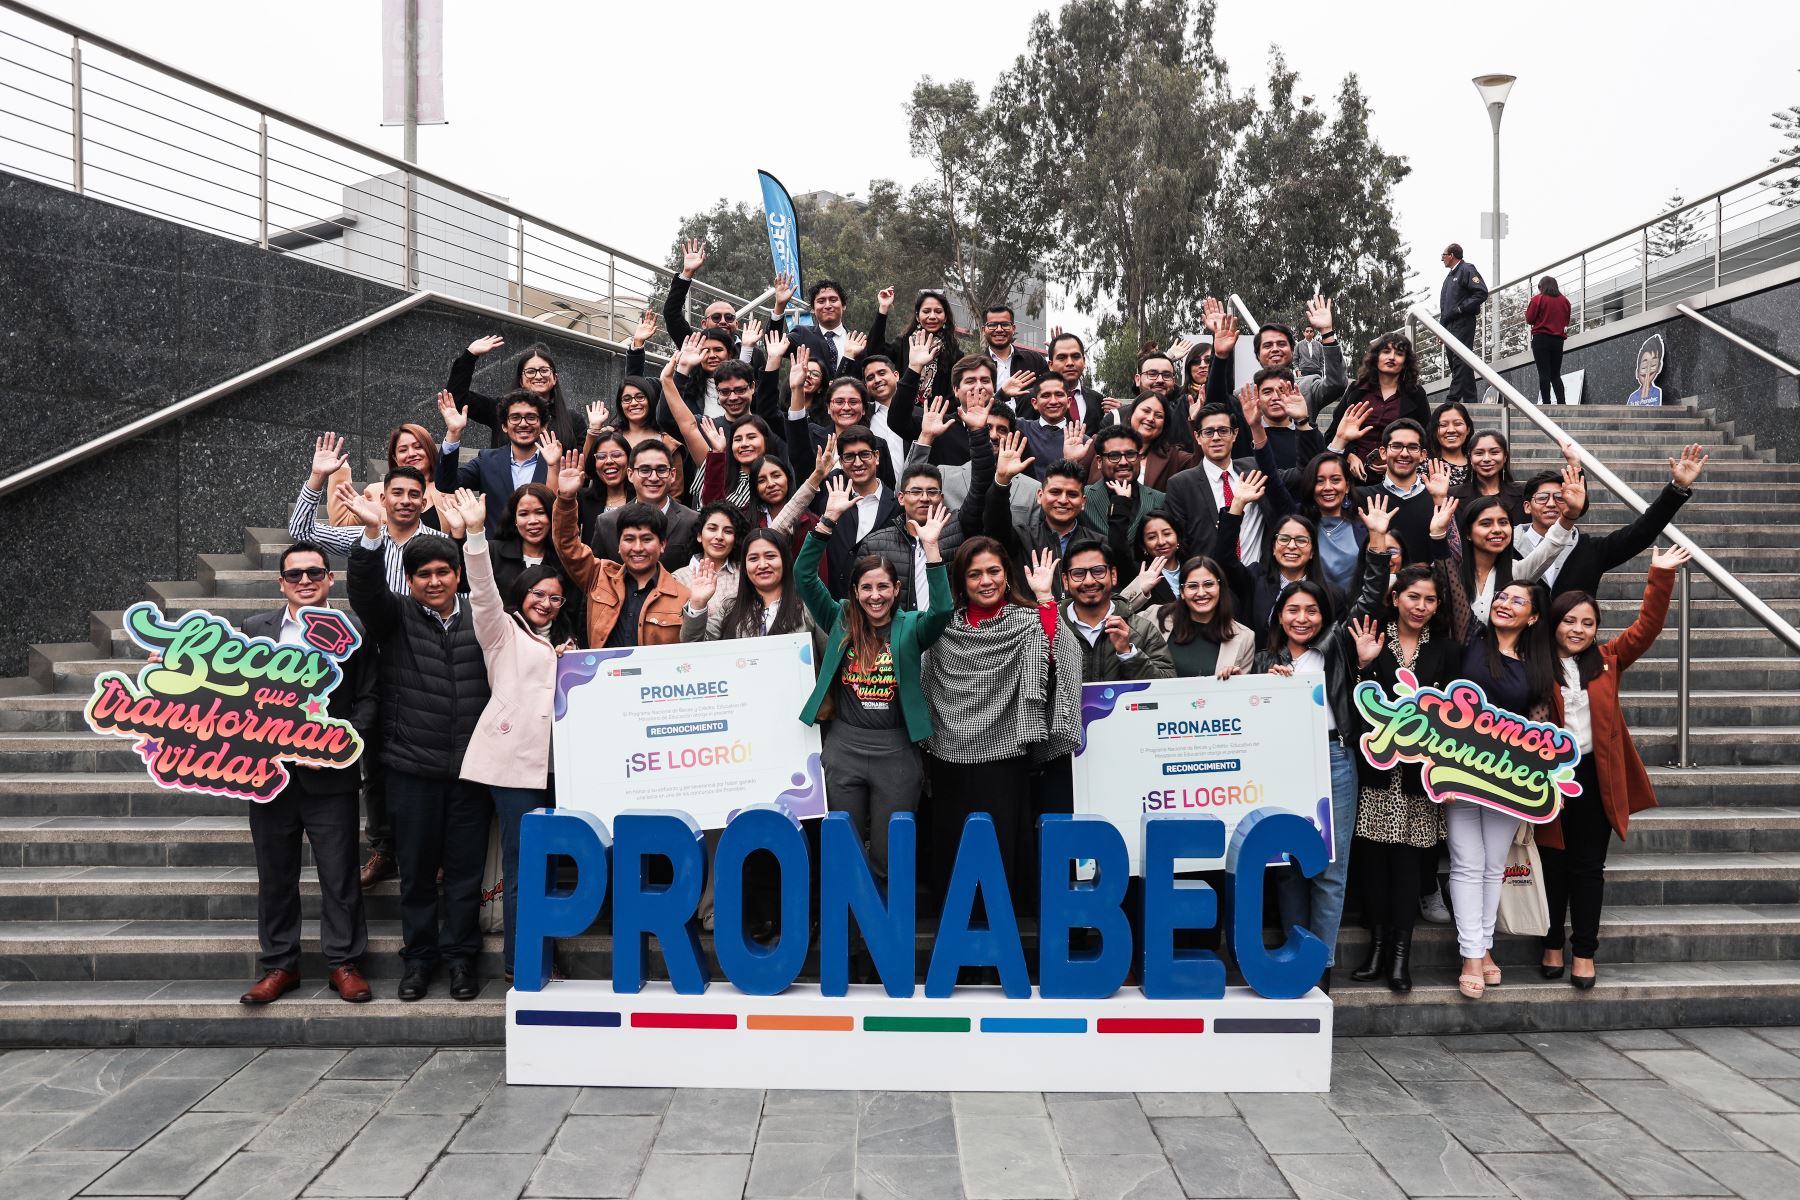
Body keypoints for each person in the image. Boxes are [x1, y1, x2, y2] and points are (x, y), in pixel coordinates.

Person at [346, 530, 492, 1002]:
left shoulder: (484, 616)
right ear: (409, 581)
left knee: (466, 874)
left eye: (442, 572)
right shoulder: (395, 616)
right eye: (423, 574)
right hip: (411, 769)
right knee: (416, 873)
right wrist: (370, 538)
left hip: (471, 770)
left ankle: (461, 960)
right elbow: (365, 591)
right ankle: (419, 961)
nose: (434, 581)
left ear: (458, 575)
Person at [1540, 546, 1689, 989]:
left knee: (1588, 866)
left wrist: (1659, 577)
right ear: (1554, 623)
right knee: (1551, 864)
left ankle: (1584, 950)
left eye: (1588, 623)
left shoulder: (1607, 660)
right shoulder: (1535, 665)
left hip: (1594, 776)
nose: (1578, 630)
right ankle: (1550, 943)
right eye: (1570, 621)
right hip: (1547, 779)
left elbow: (1647, 628)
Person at [236, 542, 377, 1006]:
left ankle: (344, 964)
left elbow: (369, 700)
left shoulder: (355, 630)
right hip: (268, 775)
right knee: (275, 875)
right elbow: (231, 695)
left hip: (328, 777)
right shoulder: (254, 630)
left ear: (330, 578)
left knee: (339, 875)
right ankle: (280, 966)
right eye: (294, 574)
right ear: (280, 582)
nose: (305, 580)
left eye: (314, 572)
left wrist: (336, 746)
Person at [797, 480, 954, 889]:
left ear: (897, 589)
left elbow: (942, 610)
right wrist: (828, 520)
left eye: (883, 586)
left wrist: (932, 550)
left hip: (897, 750)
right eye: (866, 587)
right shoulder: (840, 617)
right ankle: (846, 933)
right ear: (854, 591)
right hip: (844, 747)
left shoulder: (911, 627)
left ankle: (885, 937)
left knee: (889, 854)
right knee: (843, 849)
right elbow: (803, 575)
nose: (875, 595)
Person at [448, 489, 574, 983]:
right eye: (538, 595)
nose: (546, 603)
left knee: (548, 867)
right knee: (523, 867)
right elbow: (480, 588)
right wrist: (475, 534)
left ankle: (539, 950)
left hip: (558, 768)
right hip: (514, 768)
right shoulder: (500, 631)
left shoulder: (562, 645)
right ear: (522, 595)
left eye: (555, 597)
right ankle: (522, 962)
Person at [1252, 562, 1389, 991]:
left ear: (1324, 616)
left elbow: (1369, 596)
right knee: (1290, 865)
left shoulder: (1336, 648)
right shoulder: (1263, 658)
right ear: (1278, 615)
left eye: (1311, 610)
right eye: (1293, 609)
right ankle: (1296, 956)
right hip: (1283, 763)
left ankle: (1321, 967)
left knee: (1330, 865)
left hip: (1334, 756)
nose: (1302, 618)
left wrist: (1379, 549)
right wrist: (1259, 683)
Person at [921, 538, 1082, 903]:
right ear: (961, 583)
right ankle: (955, 931)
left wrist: (1046, 599)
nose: (986, 581)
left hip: (1006, 758)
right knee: (954, 844)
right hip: (949, 757)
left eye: (993, 571)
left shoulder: (1028, 622)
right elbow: (922, 672)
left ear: (1007, 576)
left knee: (1002, 843)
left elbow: (1062, 656)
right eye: (974, 574)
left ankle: (1003, 932)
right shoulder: (942, 627)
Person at [1347, 562, 1461, 994]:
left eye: (1430, 599)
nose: (1421, 605)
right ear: (1395, 598)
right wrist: (1363, 665)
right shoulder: (1371, 638)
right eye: (1413, 596)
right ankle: (1375, 949)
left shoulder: (1446, 651)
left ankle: (1400, 956)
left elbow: (1455, 720)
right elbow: (1358, 702)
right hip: (1377, 772)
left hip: (1421, 777)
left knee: (1409, 870)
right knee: (1373, 865)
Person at [1448, 580, 1555, 1000]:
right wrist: (1441, 535)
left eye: (1517, 601)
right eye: (1502, 596)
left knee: (1494, 865)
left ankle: (1484, 946)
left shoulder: (1536, 667)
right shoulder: (1471, 636)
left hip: (1506, 780)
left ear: (1533, 617)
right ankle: (1472, 956)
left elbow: (1539, 731)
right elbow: (1456, 589)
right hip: (1457, 772)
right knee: (1465, 862)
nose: (1504, 603)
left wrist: (1535, 789)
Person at [1516, 443, 1705, 596]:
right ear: (1527, 506)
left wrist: (1677, 488)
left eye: (1559, 497)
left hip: (1575, 640)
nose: (1551, 504)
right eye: (1542, 498)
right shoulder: (1506, 547)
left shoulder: (1590, 549)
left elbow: (1642, 531)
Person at [858, 407, 994, 611]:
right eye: (916, 492)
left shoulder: (958, 527)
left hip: (951, 635)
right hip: (901, 637)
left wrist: (977, 433)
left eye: (931, 492)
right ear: (901, 498)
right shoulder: (875, 544)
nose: (924, 498)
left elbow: (980, 485)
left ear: (941, 497)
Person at [553, 455, 691, 648]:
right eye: (629, 539)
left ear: (662, 545)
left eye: (646, 539)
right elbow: (566, 544)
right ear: (618, 545)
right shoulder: (598, 576)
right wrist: (567, 499)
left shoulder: (682, 595)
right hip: (603, 676)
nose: (637, 548)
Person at [290, 435, 452, 596]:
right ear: (383, 499)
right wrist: (317, 477)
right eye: (397, 493)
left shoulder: (442, 545)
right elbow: (302, 531)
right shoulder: (362, 538)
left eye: (414, 495)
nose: (405, 501)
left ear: (423, 504)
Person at [1163, 403, 1280, 570]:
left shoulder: (1254, 470)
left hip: (1257, 580)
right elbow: (1181, 544)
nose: (1216, 437)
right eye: (1208, 432)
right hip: (1209, 585)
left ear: (1235, 434)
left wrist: (1302, 422)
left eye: (1223, 431)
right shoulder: (1180, 484)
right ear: (1197, 437)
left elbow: (1298, 475)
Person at [1202, 294, 1346, 419]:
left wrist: (1327, 332)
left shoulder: (1308, 387)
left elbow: (1337, 384)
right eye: (1267, 345)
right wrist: (1220, 354)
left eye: (1281, 344)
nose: (1275, 349)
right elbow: (1215, 405)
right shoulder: (1244, 395)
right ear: (1258, 355)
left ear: (1292, 350)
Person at [437, 391, 554, 537]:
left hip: (544, 555)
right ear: (504, 426)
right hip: (496, 554)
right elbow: (446, 483)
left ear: (543, 425)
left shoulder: (556, 463)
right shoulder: (487, 461)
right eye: (515, 418)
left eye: (531, 417)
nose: (523, 423)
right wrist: (453, 434)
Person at [914, 398, 1041, 530]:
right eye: (987, 427)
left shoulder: (1032, 489)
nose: (993, 435)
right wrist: (926, 437)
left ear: (1011, 436)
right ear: (973, 429)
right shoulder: (945, 475)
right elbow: (905, 490)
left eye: (1002, 430)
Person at [681, 527, 823, 644]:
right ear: (744, 567)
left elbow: (831, 659)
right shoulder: (730, 607)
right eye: (753, 559)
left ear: (785, 561)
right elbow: (693, 648)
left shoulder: (809, 605)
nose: (762, 565)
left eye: (770, 556)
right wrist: (698, 603)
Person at [1058, 539, 1174, 680]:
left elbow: (1167, 685)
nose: (1089, 581)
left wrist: (1128, 653)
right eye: (1078, 573)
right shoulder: (1051, 628)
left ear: (1113, 575)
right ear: (1065, 581)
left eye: (1098, 571)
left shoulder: (1142, 630)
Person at [986, 442, 1088, 600]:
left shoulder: (1096, 543)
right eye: (1055, 492)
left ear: (1083, 502)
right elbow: (995, 527)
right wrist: (1002, 481)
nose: (1062, 500)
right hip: (1027, 621)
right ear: (1040, 496)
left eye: (1072, 494)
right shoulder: (1022, 538)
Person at [449, 335, 585, 448]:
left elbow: (582, 467)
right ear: (521, 380)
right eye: (531, 371)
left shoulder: (573, 420)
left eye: (544, 370)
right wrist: (469, 356)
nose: (538, 376)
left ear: (555, 378)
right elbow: (456, 398)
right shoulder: (500, 408)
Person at [588, 441, 699, 570]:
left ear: (672, 475)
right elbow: (598, 576)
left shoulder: (692, 521)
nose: (653, 477)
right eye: (644, 470)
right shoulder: (608, 522)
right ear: (630, 474)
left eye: (661, 470)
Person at [1323, 334, 1431, 467]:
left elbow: (1426, 438)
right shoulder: (1356, 390)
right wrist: (1349, 456)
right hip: (1351, 473)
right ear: (1376, 357)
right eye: (1386, 351)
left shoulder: (1416, 394)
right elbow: (1332, 434)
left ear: (1405, 362)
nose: (1391, 357)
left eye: (1399, 353)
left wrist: (1397, 462)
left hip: (1398, 472)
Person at [325, 423, 446, 531]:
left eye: (418, 447)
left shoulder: (449, 491)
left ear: (430, 450)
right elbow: (341, 524)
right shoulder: (376, 491)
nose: (411, 454)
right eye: (403, 450)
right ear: (395, 458)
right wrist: (339, 471)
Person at [1154, 556, 1256, 678]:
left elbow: (1242, 692)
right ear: (1182, 592)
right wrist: (1140, 588)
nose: (1201, 593)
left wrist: (1236, 681)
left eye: (1208, 584)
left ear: (1220, 588)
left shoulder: (1245, 637)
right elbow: (1124, 618)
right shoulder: (1156, 616)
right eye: (1192, 586)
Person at [871, 288, 962, 409]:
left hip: (936, 418)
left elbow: (956, 392)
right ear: (918, 317)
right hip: (902, 413)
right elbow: (875, 352)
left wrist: (934, 413)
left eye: (938, 311)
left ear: (945, 317)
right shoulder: (905, 343)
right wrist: (883, 309)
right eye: (926, 311)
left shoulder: (954, 352)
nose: (932, 316)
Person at [489, 483, 567, 608]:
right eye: (524, 514)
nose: (533, 521)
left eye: (540, 512)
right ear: (514, 519)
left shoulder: (565, 560)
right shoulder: (492, 552)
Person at [1084, 426, 1166, 544]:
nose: (1123, 462)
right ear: (1099, 461)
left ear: (1140, 458)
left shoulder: (1159, 500)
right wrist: (1071, 460)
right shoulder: (1083, 497)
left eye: (1130, 455)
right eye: (1114, 456)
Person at [1438, 244, 1489, 404]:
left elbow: (1481, 292)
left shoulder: (1467, 269)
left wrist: (1462, 308)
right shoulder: (1449, 277)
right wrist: (1441, 329)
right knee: (1455, 362)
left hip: (1463, 322)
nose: (1442, 258)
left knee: (1460, 359)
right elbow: (1445, 307)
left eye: (1443, 255)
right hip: (1449, 326)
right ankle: (1471, 399)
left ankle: (1451, 399)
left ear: (1452, 255)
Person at [673, 501, 746, 612]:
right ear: (699, 535)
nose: (719, 536)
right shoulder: (678, 578)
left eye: (728, 531)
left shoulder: (745, 572)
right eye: (712, 529)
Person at [1116, 393, 1197, 490]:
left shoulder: (1174, 457)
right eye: (1146, 411)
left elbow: (1202, 466)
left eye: (1159, 416)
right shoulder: (1101, 444)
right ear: (1131, 413)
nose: (1151, 419)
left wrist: (1195, 422)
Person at [1451, 430, 1527, 529]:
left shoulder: (1523, 493)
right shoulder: (1453, 496)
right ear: (1470, 458)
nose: (1486, 459)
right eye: (1479, 453)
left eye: (1494, 452)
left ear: (1505, 457)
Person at [1114, 512, 1186, 611]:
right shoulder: (1139, 572)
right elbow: (1118, 546)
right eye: (1152, 537)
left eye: (1167, 534)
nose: (1161, 542)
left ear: (1178, 537)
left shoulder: (1193, 567)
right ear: (1143, 546)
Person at [786, 279, 857, 378]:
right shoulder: (802, 334)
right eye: (821, 301)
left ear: (843, 305)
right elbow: (773, 344)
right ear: (813, 309)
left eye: (833, 300)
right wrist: (780, 305)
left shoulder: (857, 341)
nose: (828, 306)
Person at [1042, 331, 1105, 429]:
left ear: (1083, 361)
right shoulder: (1035, 398)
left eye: (1075, 357)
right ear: (1050, 365)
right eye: (1062, 357)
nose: (1070, 363)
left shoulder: (1098, 400)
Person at [1525, 276, 1572, 404]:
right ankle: (1562, 402)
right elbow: (1566, 320)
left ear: (1541, 287)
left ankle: (1546, 403)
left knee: (1544, 373)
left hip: (1541, 338)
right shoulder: (1564, 301)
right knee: (1555, 374)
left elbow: (1529, 319)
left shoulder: (1537, 299)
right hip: (1558, 340)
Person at [981, 304, 1048, 391]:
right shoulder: (975, 365)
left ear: (1013, 328)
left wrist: (1057, 353)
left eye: (1005, 324)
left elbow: (1053, 387)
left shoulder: (1034, 360)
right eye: (992, 325)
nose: (999, 329)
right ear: (983, 330)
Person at [1427, 401, 1474, 488]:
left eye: (1458, 424)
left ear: (1468, 429)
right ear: (1434, 430)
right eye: (1443, 425)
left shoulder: (1477, 464)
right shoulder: (1426, 465)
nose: (1451, 430)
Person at [1627, 335, 1666, 406]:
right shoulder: (1633, 397)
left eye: (1653, 365)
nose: (1648, 371)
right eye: (1644, 367)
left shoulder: (1657, 393)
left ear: (1659, 367)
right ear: (1637, 372)